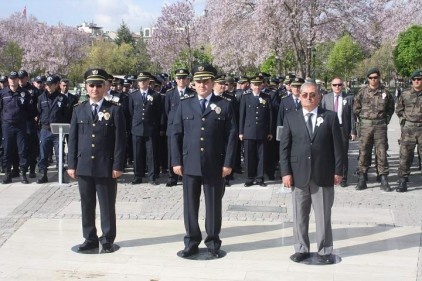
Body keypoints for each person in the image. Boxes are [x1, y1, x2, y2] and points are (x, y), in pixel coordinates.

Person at [171, 63, 238, 258]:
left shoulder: (224, 104)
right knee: (190, 205)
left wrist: (228, 163)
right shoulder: (185, 104)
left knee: (213, 205)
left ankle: (213, 242)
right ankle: (191, 241)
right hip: (189, 163)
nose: (202, 85)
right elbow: (175, 134)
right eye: (199, 81)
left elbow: (231, 136)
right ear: (193, 83)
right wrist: (176, 161)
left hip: (214, 164)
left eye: (206, 81)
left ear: (212, 83)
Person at [279, 81, 343, 265]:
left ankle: (324, 250)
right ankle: (301, 248)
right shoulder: (291, 117)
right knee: (300, 215)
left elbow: (338, 148)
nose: (309, 97)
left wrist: (338, 170)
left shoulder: (330, 117)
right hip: (298, 175)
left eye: (312, 94)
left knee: (323, 216)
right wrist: (285, 173)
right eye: (305, 94)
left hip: (323, 174)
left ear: (319, 97)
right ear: (300, 97)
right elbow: (284, 147)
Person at [67, 68, 126, 253]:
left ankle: (107, 238)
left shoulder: (114, 110)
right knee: (87, 204)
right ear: (86, 87)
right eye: (91, 85)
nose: (95, 89)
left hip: (105, 166)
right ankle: (89, 238)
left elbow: (120, 141)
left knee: (107, 204)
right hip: (84, 165)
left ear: (105, 87)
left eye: (99, 85)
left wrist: (117, 165)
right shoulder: (79, 110)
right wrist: (71, 164)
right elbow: (73, 139)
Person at [353, 68, 394, 191]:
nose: (373, 80)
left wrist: (385, 119)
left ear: (379, 77)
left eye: (375, 77)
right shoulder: (362, 92)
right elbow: (356, 107)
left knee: (381, 152)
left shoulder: (385, 92)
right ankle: (362, 177)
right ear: (368, 79)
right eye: (371, 78)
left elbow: (391, 108)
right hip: (366, 126)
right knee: (364, 151)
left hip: (380, 126)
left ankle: (383, 178)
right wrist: (364, 117)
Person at [321, 77, 357, 187]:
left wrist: (353, 131)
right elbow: (321, 114)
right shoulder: (325, 98)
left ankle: (344, 177)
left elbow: (352, 116)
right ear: (331, 86)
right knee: (328, 153)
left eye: (339, 85)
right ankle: (330, 175)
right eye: (335, 85)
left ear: (343, 85)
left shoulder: (348, 98)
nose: (337, 87)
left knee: (343, 154)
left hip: (342, 129)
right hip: (328, 129)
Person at [128, 72, 162, 185]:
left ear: (148, 82)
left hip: (150, 128)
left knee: (151, 153)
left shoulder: (156, 95)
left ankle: (152, 177)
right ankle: (138, 175)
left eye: (144, 80)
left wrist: (155, 126)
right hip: (137, 128)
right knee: (137, 153)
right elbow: (131, 111)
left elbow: (158, 112)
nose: (142, 82)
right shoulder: (133, 95)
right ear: (138, 83)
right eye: (140, 81)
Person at [239, 75, 273, 187]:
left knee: (261, 156)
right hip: (248, 131)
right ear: (251, 85)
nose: (257, 87)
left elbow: (270, 116)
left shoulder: (267, 97)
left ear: (262, 85)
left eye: (259, 84)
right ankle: (250, 177)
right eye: (255, 84)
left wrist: (270, 131)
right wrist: (241, 132)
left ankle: (260, 178)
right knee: (249, 156)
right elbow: (242, 115)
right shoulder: (246, 97)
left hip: (262, 131)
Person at [0, 71, 34, 184]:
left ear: (18, 80)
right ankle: (7, 174)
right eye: (11, 78)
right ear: (8, 80)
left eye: (15, 78)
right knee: (7, 150)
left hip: (21, 126)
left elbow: (30, 111)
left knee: (22, 150)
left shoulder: (25, 93)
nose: (13, 80)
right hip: (7, 125)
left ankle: (23, 174)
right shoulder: (3, 93)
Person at [163, 68, 195, 187]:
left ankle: (184, 174)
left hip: (187, 127)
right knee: (172, 152)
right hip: (173, 127)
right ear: (176, 79)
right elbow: (166, 111)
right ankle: (172, 177)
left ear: (187, 80)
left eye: (184, 78)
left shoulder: (192, 93)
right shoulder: (170, 93)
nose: (181, 80)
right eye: (179, 78)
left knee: (186, 150)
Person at [36, 75, 68, 183]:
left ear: (56, 85)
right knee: (43, 154)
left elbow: (66, 114)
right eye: (47, 85)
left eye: (51, 85)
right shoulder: (41, 98)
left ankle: (61, 176)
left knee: (59, 155)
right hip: (45, 130)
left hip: (57, 130)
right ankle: (42, 175)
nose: (49, 87)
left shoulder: (62, 98)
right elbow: (39, 112)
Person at [395, 70, 422, 192]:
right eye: (415, 79)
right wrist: (403, 121)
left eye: (419, 79)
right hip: (408, 130)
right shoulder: (405, 94)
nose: (417, 81)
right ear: (411, 80)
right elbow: (399, 110)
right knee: (405, 156)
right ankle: (402, 180)